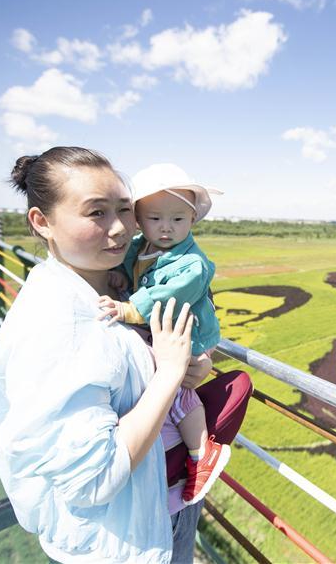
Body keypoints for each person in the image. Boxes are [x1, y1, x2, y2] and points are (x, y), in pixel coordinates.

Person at [0, 147, 250, 563]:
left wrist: (190, 366)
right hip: (125, 537)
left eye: (125, 209)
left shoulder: (110, 282)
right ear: (42, 222)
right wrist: (168, 375)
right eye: (96, 213)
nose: (120, 229)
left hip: (155, 503)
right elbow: (93, 479)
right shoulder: (62, 325)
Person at [96, 163, 228, 505]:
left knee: (177, 389)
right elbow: (132, 265)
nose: (166, 228)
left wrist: (128, 307)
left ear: (192, 220)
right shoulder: (141, 245)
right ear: (139, 220)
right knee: (166, 385)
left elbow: (164, 295)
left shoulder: (192, 264)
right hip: (164, 328)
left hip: (189, 333)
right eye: (155, 219)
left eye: (178, 220)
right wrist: (121, 276)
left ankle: (202, 451)